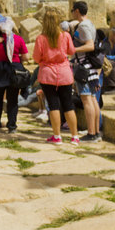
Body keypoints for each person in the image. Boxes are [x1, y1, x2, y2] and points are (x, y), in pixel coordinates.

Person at [33, 11, 80, 145]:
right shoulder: (65, 35)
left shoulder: (41, 38)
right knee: (68, 104)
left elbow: (36, 57)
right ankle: (74, 136)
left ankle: (57, 136)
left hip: (48, 73)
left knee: (53, 105)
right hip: (64, 73)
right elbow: (71, 51)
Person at [0, 21, 29, 134]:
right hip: (14, 73)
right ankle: (12, 126)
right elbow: (26, 57)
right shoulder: (18, 39)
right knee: (13, 100)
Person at [71, 1, 102, 142]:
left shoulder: (83, 26)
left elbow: (89, 45)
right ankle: (95, 132)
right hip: (90, 67)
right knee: (93, 99)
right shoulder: (90, 24)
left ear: (77, 11)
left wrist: (73, 50)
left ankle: (91, 133)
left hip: (84, 67)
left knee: (86, 99)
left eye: (73, 10)